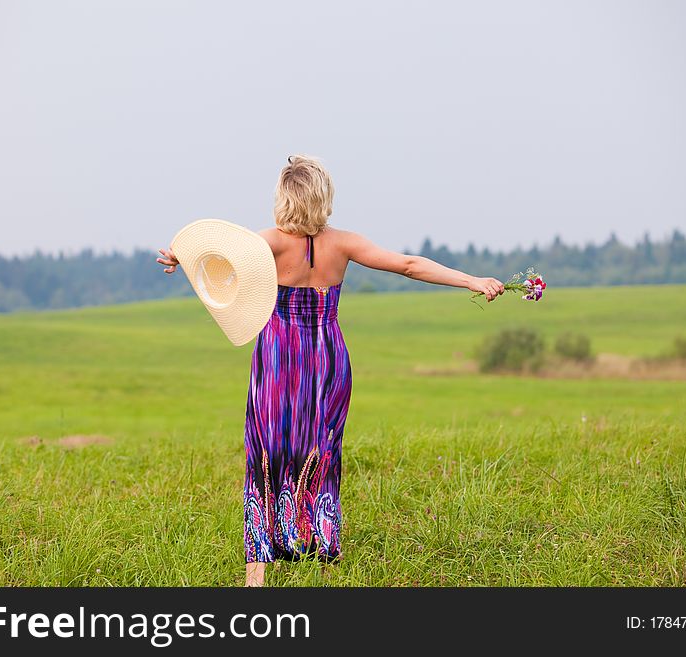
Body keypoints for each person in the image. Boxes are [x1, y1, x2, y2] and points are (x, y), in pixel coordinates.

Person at [157, 155, 504, 587]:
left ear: (284, 197)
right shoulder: (344, 244)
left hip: (278, 357)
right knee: (323, 451)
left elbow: (215, 261)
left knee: (267, 453)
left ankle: (256, 578)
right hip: (326, 358)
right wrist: (473, 280)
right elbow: (410, 265)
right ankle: (321, 555)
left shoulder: (268, 242)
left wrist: (179, 257)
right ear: (324, 197)